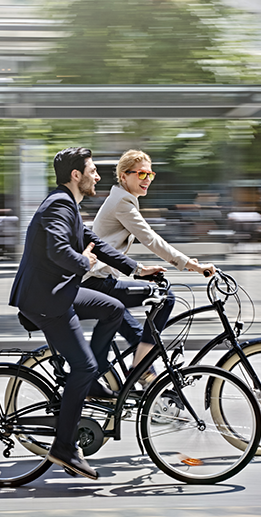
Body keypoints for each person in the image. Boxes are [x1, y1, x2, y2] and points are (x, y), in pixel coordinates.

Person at [9, 147, 163, 480]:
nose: (97, 176)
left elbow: (97, 243)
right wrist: (85, 262)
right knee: (84, 365)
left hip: (58, 293)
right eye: (92, 170)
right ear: (76, 175)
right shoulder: (58, 206)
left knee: (114, 308)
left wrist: (136, 269)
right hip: (46, 301)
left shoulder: (70, 206)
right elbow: (59, 249)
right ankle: (64, 446)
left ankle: (91, 382)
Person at [83, 149, 216, 382]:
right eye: (141, 174)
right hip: (96, 283)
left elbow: (115, 248)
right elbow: (151, 238)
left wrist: (143, 269)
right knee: (166, 298)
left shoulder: (122, 200)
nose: (147, 180)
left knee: (139, 337)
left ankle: (146, 392)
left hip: (102, 280)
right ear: (124, 176)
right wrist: (190, 265)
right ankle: (136, 373)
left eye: (150, 175)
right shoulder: (121, 202)